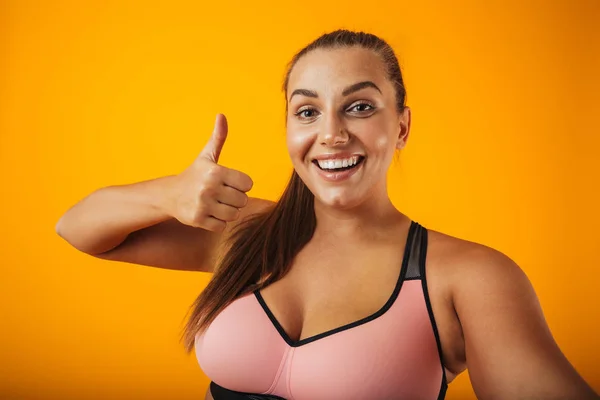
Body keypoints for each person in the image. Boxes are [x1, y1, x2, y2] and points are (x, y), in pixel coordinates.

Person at [56, 30, 598, 400]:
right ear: (290, 129)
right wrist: (166, 194)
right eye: (308, 111)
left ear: (402, 127)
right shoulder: (247, 234)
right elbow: (78, 229)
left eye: (360, 107)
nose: (332, 134)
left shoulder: (469, 278)